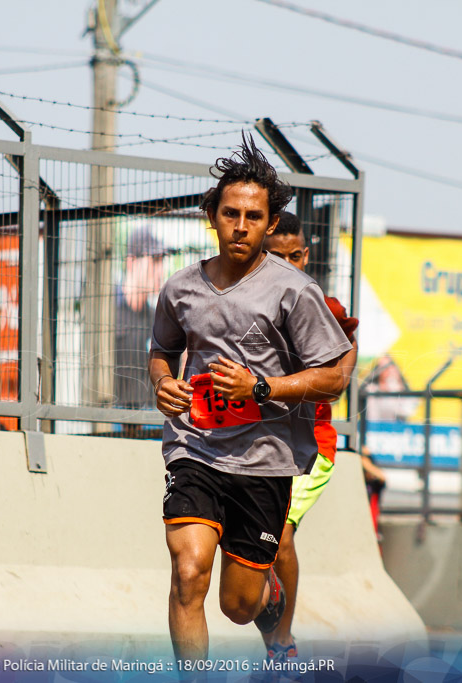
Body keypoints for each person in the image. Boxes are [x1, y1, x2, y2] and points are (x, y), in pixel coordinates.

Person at [148, 135, 353, 673]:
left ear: (269, 223)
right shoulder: (180, 288)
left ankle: (270, 601)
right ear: (211, 216)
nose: (241, 226)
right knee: (188, 570)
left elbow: (333, 377)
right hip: (195, 446)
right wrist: (163, 382)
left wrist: (260, 388)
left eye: (254, 217)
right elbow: (162, 350)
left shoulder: (294, 291)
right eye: (231, 213)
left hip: (264, 460)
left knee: (238, 606)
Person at [259, 211, 359, 665]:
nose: (288, 264)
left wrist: (338, 378)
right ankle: (268, 620)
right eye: (275, 256)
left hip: (313, 444)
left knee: (281, 537)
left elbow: (348, 338)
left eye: (295, 255)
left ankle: (283, 640)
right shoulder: (250, 302)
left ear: (306, 253)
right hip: (257, 444)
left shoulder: (321, 304)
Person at [114, 225, 168, 418]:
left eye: (162, 261)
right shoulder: (105, 313)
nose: (160, 270)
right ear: (131, 262)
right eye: (154, 260)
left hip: (150, 420)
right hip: (110, 418)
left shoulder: (158, 320)